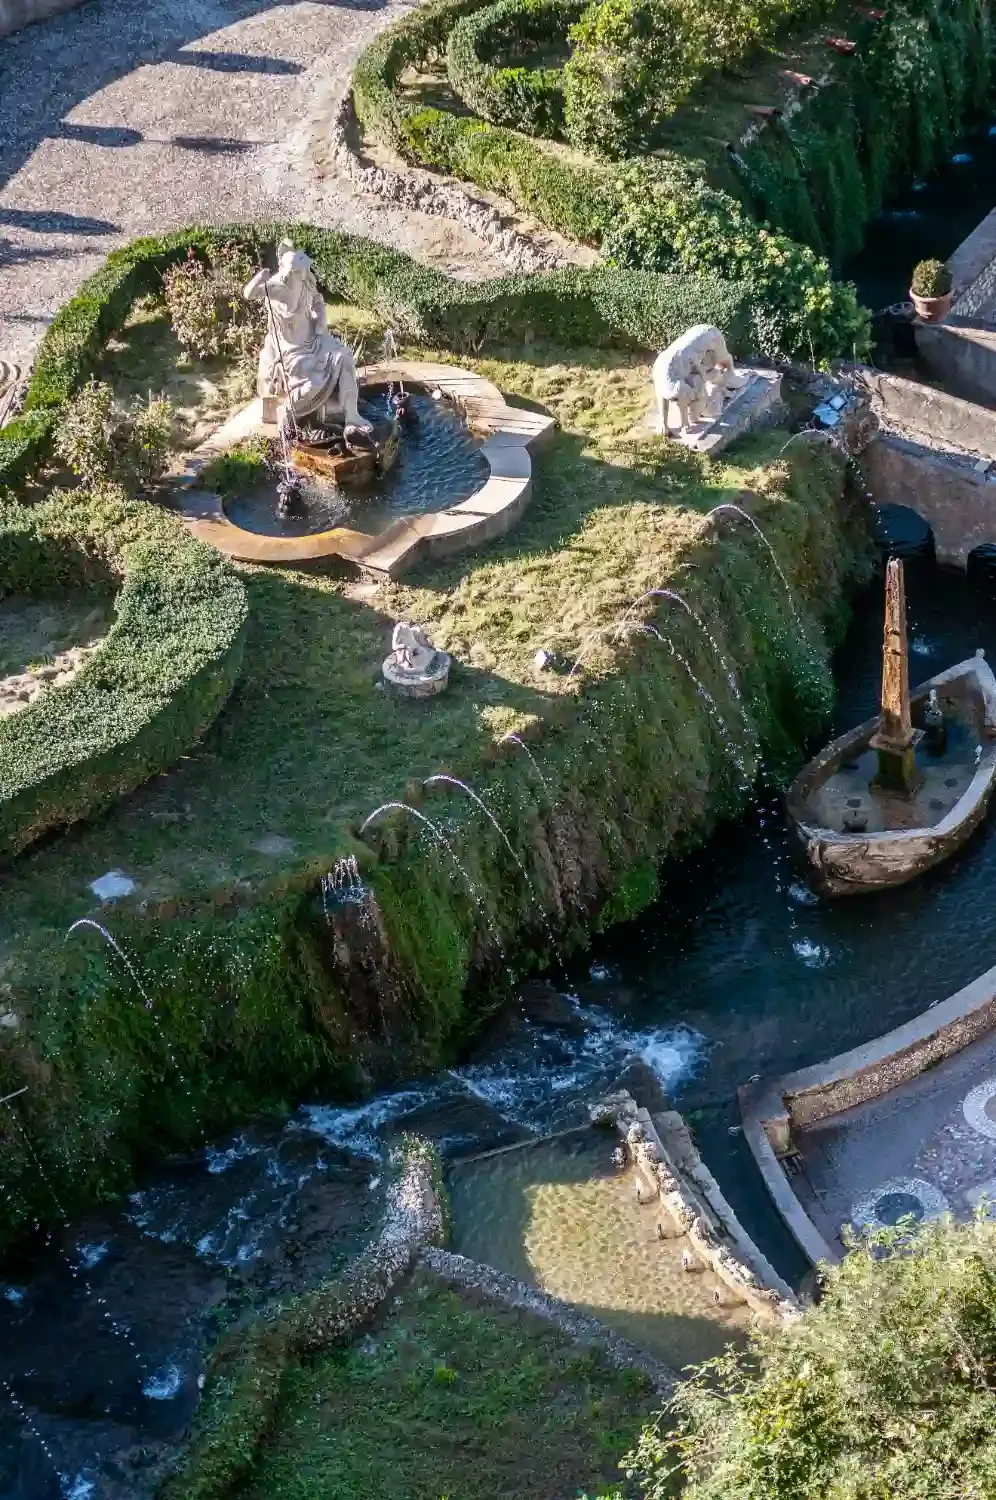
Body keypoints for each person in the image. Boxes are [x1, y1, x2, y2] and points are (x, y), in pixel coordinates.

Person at [244, 241, 371, 433]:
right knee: (314, 383)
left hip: (314, 340)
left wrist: (320, 323)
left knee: (345, 357)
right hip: (293, 350)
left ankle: (352, 416)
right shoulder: (277, 287)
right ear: (290, 272)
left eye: (305, 269)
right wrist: (259, 278)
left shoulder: (306, 282)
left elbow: (318, 301)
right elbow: (249, 293)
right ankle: (288, 410)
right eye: (300, 270)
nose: (304, 273)